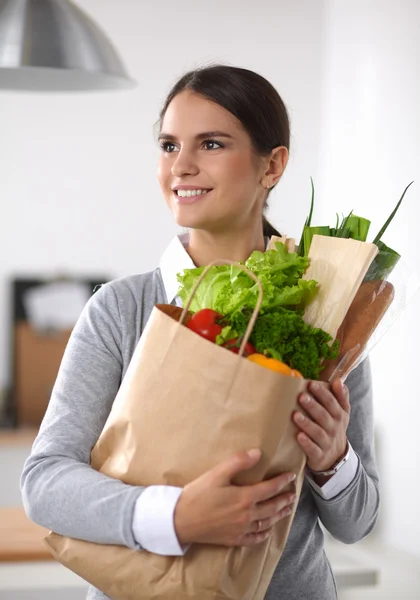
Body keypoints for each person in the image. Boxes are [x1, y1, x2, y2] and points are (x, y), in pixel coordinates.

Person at [21, 65, 380, 600]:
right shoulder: (121, 309)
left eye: (211, 143)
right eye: (168, 146)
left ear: (273, 165)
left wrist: (333, 460)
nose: (181, 166)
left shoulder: (325, 312)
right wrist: (174, 516)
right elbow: (45, 483)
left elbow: (359, 522)